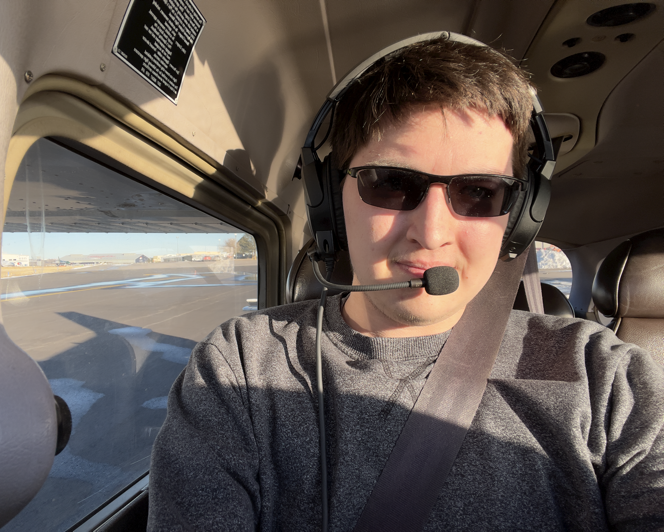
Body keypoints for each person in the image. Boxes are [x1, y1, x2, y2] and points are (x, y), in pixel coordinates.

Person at [147, 36, 664, 530]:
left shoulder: (601, 374)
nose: (431, 234)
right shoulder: (239, 364)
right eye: (392, 183)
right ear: (330, 202)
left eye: (479, 193)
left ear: (520, 217)